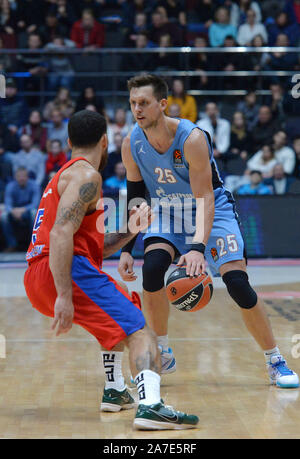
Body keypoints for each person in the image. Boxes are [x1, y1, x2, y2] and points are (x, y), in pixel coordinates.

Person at [118, 73, 299, 388]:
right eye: (133, 103)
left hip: (212, 210)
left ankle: (275, 359)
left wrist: (198, 248)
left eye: (144, 102)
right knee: (153, 270)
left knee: (237, 284)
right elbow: (136, 198)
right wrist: (124, 248)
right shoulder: (131, 142)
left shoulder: (192, 138)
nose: (137, 109)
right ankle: (162, 349)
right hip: (167, 212)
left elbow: (205, 198)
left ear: (162, 104)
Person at [23, 109, 199, 430]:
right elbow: (61, 232)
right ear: (105, 141)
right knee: (140, 329)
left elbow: (92, 248)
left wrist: (133, 229)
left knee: (116, 319)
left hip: (41, 273)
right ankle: (151, 405)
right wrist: (64, 294)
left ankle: (116, 390)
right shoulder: (87, 176)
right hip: (62, 270)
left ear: (69, 141)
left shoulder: (64, 175)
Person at [1, 167, 40, 252]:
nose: (21, 178)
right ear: (15, 177)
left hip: (28, 211)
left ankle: (33, 244)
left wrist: (22, 210)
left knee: (34, 214)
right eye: (19, 176)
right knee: (4, 216)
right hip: (14, 211)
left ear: (27, 177)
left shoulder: (34, 185)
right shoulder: (10, 186)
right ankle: (12, 245)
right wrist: (13, 211)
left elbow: (35, 204)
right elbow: (7, 204)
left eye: (24, 176)